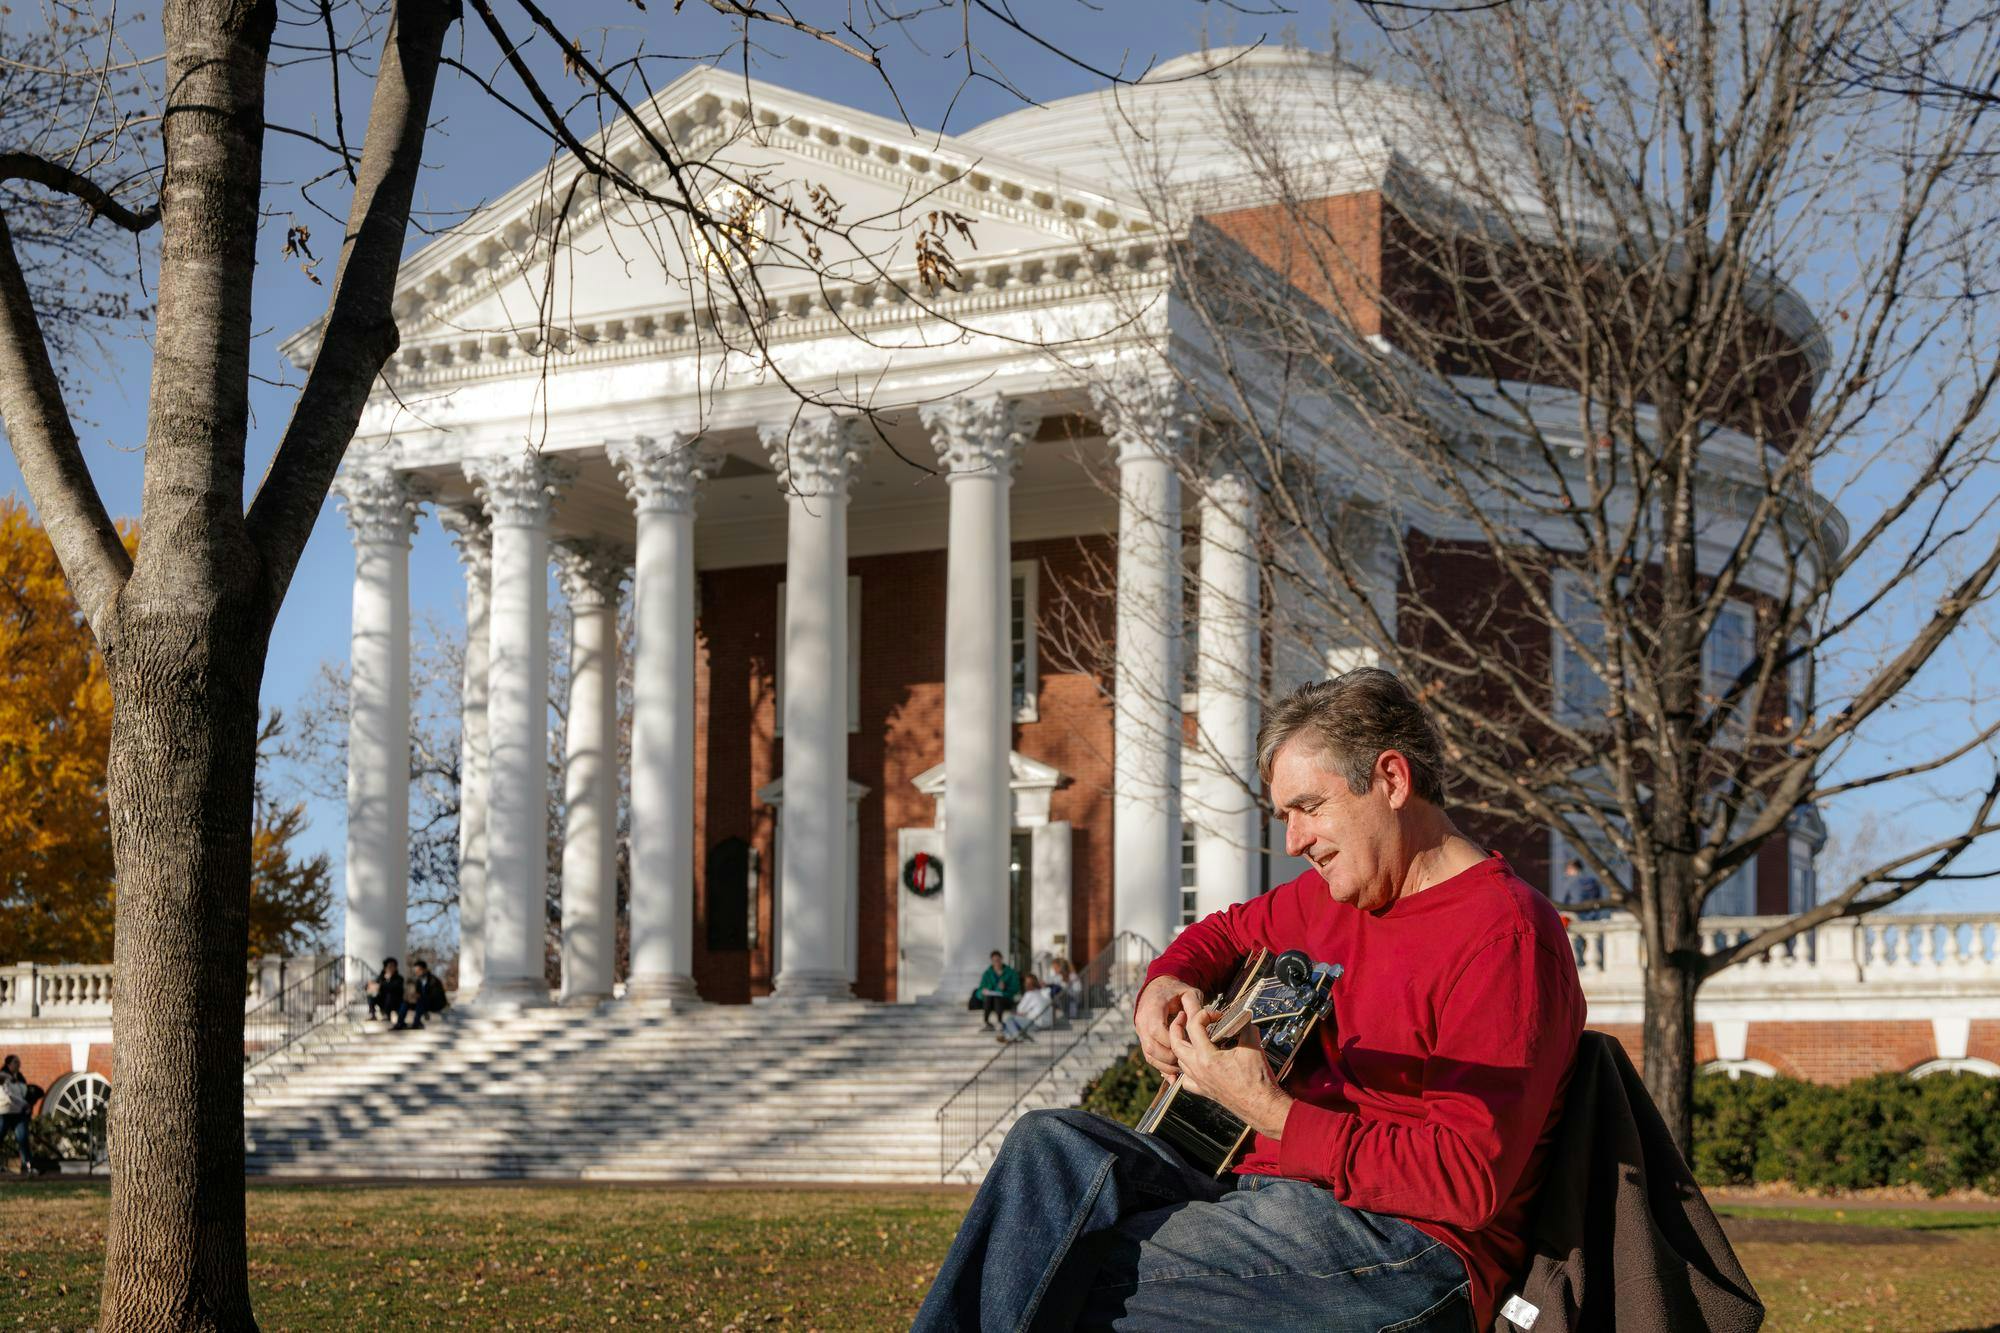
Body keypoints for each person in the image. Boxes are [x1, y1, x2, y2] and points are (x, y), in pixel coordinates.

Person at [914, 669, 1587, 1333]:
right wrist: (1163, 986)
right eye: (1285, 816)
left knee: (1063, 1268)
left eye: (1308, 807)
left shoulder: (1505, 935)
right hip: (1256, 1189)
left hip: (1408, 1245)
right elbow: (1224, 933)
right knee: (1047, 1147)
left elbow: (1465, 1180)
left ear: (1390, 779)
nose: (1293, 841)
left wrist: (1270, 1111)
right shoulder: (1331, 896)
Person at [1, 1055, 34, 1177]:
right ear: (8, 1064)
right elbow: (8, 1095)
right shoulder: (2, 1077)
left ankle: (28, 1166)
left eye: (19, 1062)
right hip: (4, 1112)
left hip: (18, 1113)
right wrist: (24, 1104)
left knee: (23, 1139)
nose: (18, 1064)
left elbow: (22, 1093)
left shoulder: (20, 1078)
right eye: (16, 1062)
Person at [998, 974, 1054, 1044]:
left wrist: (1021, 1013)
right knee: (1013, 1022)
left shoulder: (1030, 994)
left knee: (1010, 1019)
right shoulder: (1043, 993)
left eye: (1026, 983)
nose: (1025, 984)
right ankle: (1008, 1035)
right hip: (1047, 1023)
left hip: (1036, 1024)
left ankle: (1014, 1036)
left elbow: (1020, 1010)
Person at [971, 950, 1020, 1030]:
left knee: (997, 997)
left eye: (998, 960)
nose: (996, 962)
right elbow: (980, 989)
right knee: (989, 997)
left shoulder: (1010, 973)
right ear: (992, 961)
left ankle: (999, 1022)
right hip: (989, 1001)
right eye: (994, 961)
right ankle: (986, 1022)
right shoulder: (987, 973)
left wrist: (1005, 988)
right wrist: (984, 991)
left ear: (1001, 959)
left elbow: (1016, 988)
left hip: (1005, 999)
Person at [402, 959, 449, 1030]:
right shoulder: (417, 980)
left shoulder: (434, 980)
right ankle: (400, 1023)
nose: (417, 973)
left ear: (425, 969)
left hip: (435, 1003)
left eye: (418, 970)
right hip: (422, 1003)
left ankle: (416, 1023)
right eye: (415, 971)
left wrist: (421, 996)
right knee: (406, 1002)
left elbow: (436, 996)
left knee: (420, 1000)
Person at [367, 958, 404, 1024]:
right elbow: (376, 984)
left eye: (393, 966)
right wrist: (371, 985)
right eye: (389, 966)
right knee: (370, 994)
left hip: (395, 1001)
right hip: (382, 1000)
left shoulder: (399, 978)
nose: (391, 968)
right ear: (385, 968)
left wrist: (386, 981)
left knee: (389, 994)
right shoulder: (381, 977)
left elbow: (393, 987)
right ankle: (372, 1014)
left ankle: (387, 1015)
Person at [1046, 956, 1081, 1021]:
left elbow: (1077, 991)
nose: (1054, 970)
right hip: (1062, 1001)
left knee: (1056, 989)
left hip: (1072, 1000)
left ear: (1060, 967)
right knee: (1051, 990)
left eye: (1055, 968)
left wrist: (1065, 987)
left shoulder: (1072, 976)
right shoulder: (1057, 977)